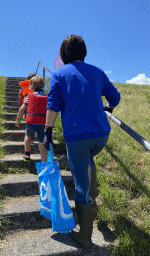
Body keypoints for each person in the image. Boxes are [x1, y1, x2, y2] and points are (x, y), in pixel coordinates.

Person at [43, 34, 121, 249]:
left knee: (80, 186)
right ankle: (93, 198)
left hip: (77, 137)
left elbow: (53, 105)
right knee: (88, 160)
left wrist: (48, 130)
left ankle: (85, 235)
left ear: (64, 53)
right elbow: (115, 97)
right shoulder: (97, 72)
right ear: (84, 51)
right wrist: (108, 108)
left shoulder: (59, 74)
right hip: (102, 135)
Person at [15, 76, 48, 162]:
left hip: (31, 121)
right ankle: (44, 161)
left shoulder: (30, 96)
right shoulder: (47, 97)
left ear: (31, 86)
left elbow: (22, 108)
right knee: (42, 141)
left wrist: (18, 119)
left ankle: (27, 154)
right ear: (43, 86)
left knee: (28, 136)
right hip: (43, 122)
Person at [18, 73, 36, 143]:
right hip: (35, 104)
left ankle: (30, 137)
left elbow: (20, 96)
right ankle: (32, 135)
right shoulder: (36, 85)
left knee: (28, 121)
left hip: (26, 104)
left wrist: (21, 106)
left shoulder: (23, 85)